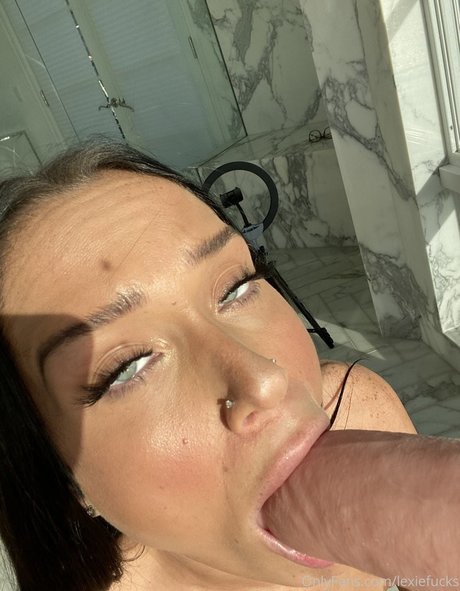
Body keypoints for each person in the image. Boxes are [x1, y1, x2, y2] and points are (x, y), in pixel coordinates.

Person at [0, 139, 453, 591]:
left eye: (236, 285)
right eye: (126, 366)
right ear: (60, 477)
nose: (265, 380)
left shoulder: (360, 408)